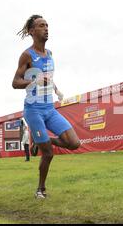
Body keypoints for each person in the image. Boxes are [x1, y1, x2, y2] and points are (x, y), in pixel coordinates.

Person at [12, 15, 81, 199]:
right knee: (48, 154)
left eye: (47, 25)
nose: (46, 28)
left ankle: (45, 141)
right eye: (41, 26)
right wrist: (34, 80)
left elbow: (48, 79)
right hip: (33, 110)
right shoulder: (27, 55)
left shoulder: (49, 54)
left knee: (74, 143)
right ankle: (40, 189)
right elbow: (15, 82)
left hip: (50, 108)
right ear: (32, 31)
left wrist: (56, 90)